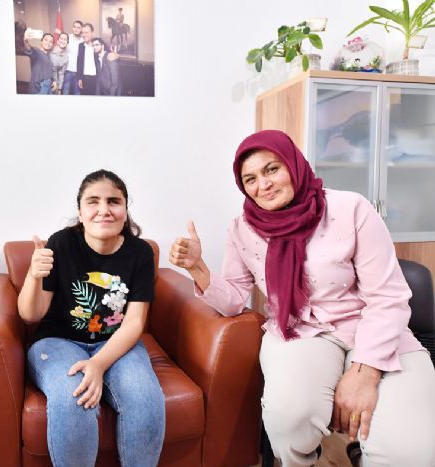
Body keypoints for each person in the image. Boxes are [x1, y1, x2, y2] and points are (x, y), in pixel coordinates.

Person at [169, 129, 435, 467]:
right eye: (250, 179)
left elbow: (387, 297)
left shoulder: (351, 208)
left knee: (409, 454)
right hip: (299, 331)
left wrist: (365, 372)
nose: (263, 184)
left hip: (374, 327)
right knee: (289, 419)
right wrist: (198, 268)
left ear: (293, 164)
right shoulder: (242, 229)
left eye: (272, 169)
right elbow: (234, 299)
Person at [18, 170, 165, 467]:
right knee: (74, 397)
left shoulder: (140, 252)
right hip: (57, 341)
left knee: (145, 398)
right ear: (80, 212)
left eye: (114, 201)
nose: (104, 210)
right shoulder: (60, 244)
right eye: (93, 201)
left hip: (116, 342)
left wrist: (98, 364)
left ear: (125, 210)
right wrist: (34, 276)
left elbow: (135, 323)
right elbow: (30, 314)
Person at [62, 20, 84, 95]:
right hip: (67, 70)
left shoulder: (83, 40)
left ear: (81, 29)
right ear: (72, 28)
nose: (76, 29)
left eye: (78, 27)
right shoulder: (67, 37)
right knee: (65, 92)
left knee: (77, 93)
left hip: (78, 72)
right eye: (74, 27)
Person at [76, 23, 97, 96]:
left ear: (92, 33)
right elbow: (79, 63)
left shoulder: (98, 44)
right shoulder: (81, 46)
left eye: (86, 32)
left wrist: (115, 55)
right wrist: (79, 78)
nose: (84, 35)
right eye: (82, 33)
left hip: (96, 79)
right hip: (84, 79)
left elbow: (109, 52)